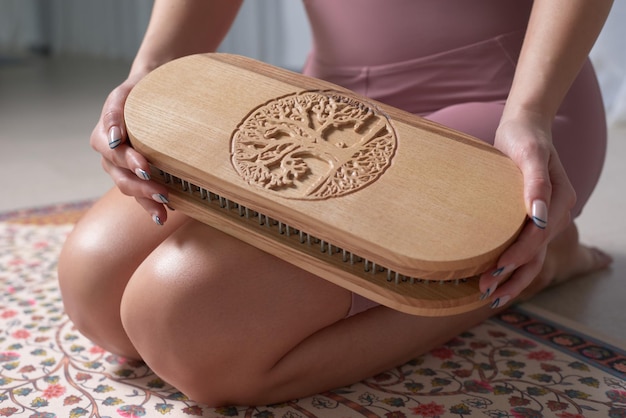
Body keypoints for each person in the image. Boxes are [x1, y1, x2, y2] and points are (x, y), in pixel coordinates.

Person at [58, 0, 614, 407]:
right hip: (329, 106)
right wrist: (148, 75)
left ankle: (541, 263)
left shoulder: (519, 113)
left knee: (185, 327)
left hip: (507, 109)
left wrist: (529, 113)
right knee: (94, 285)